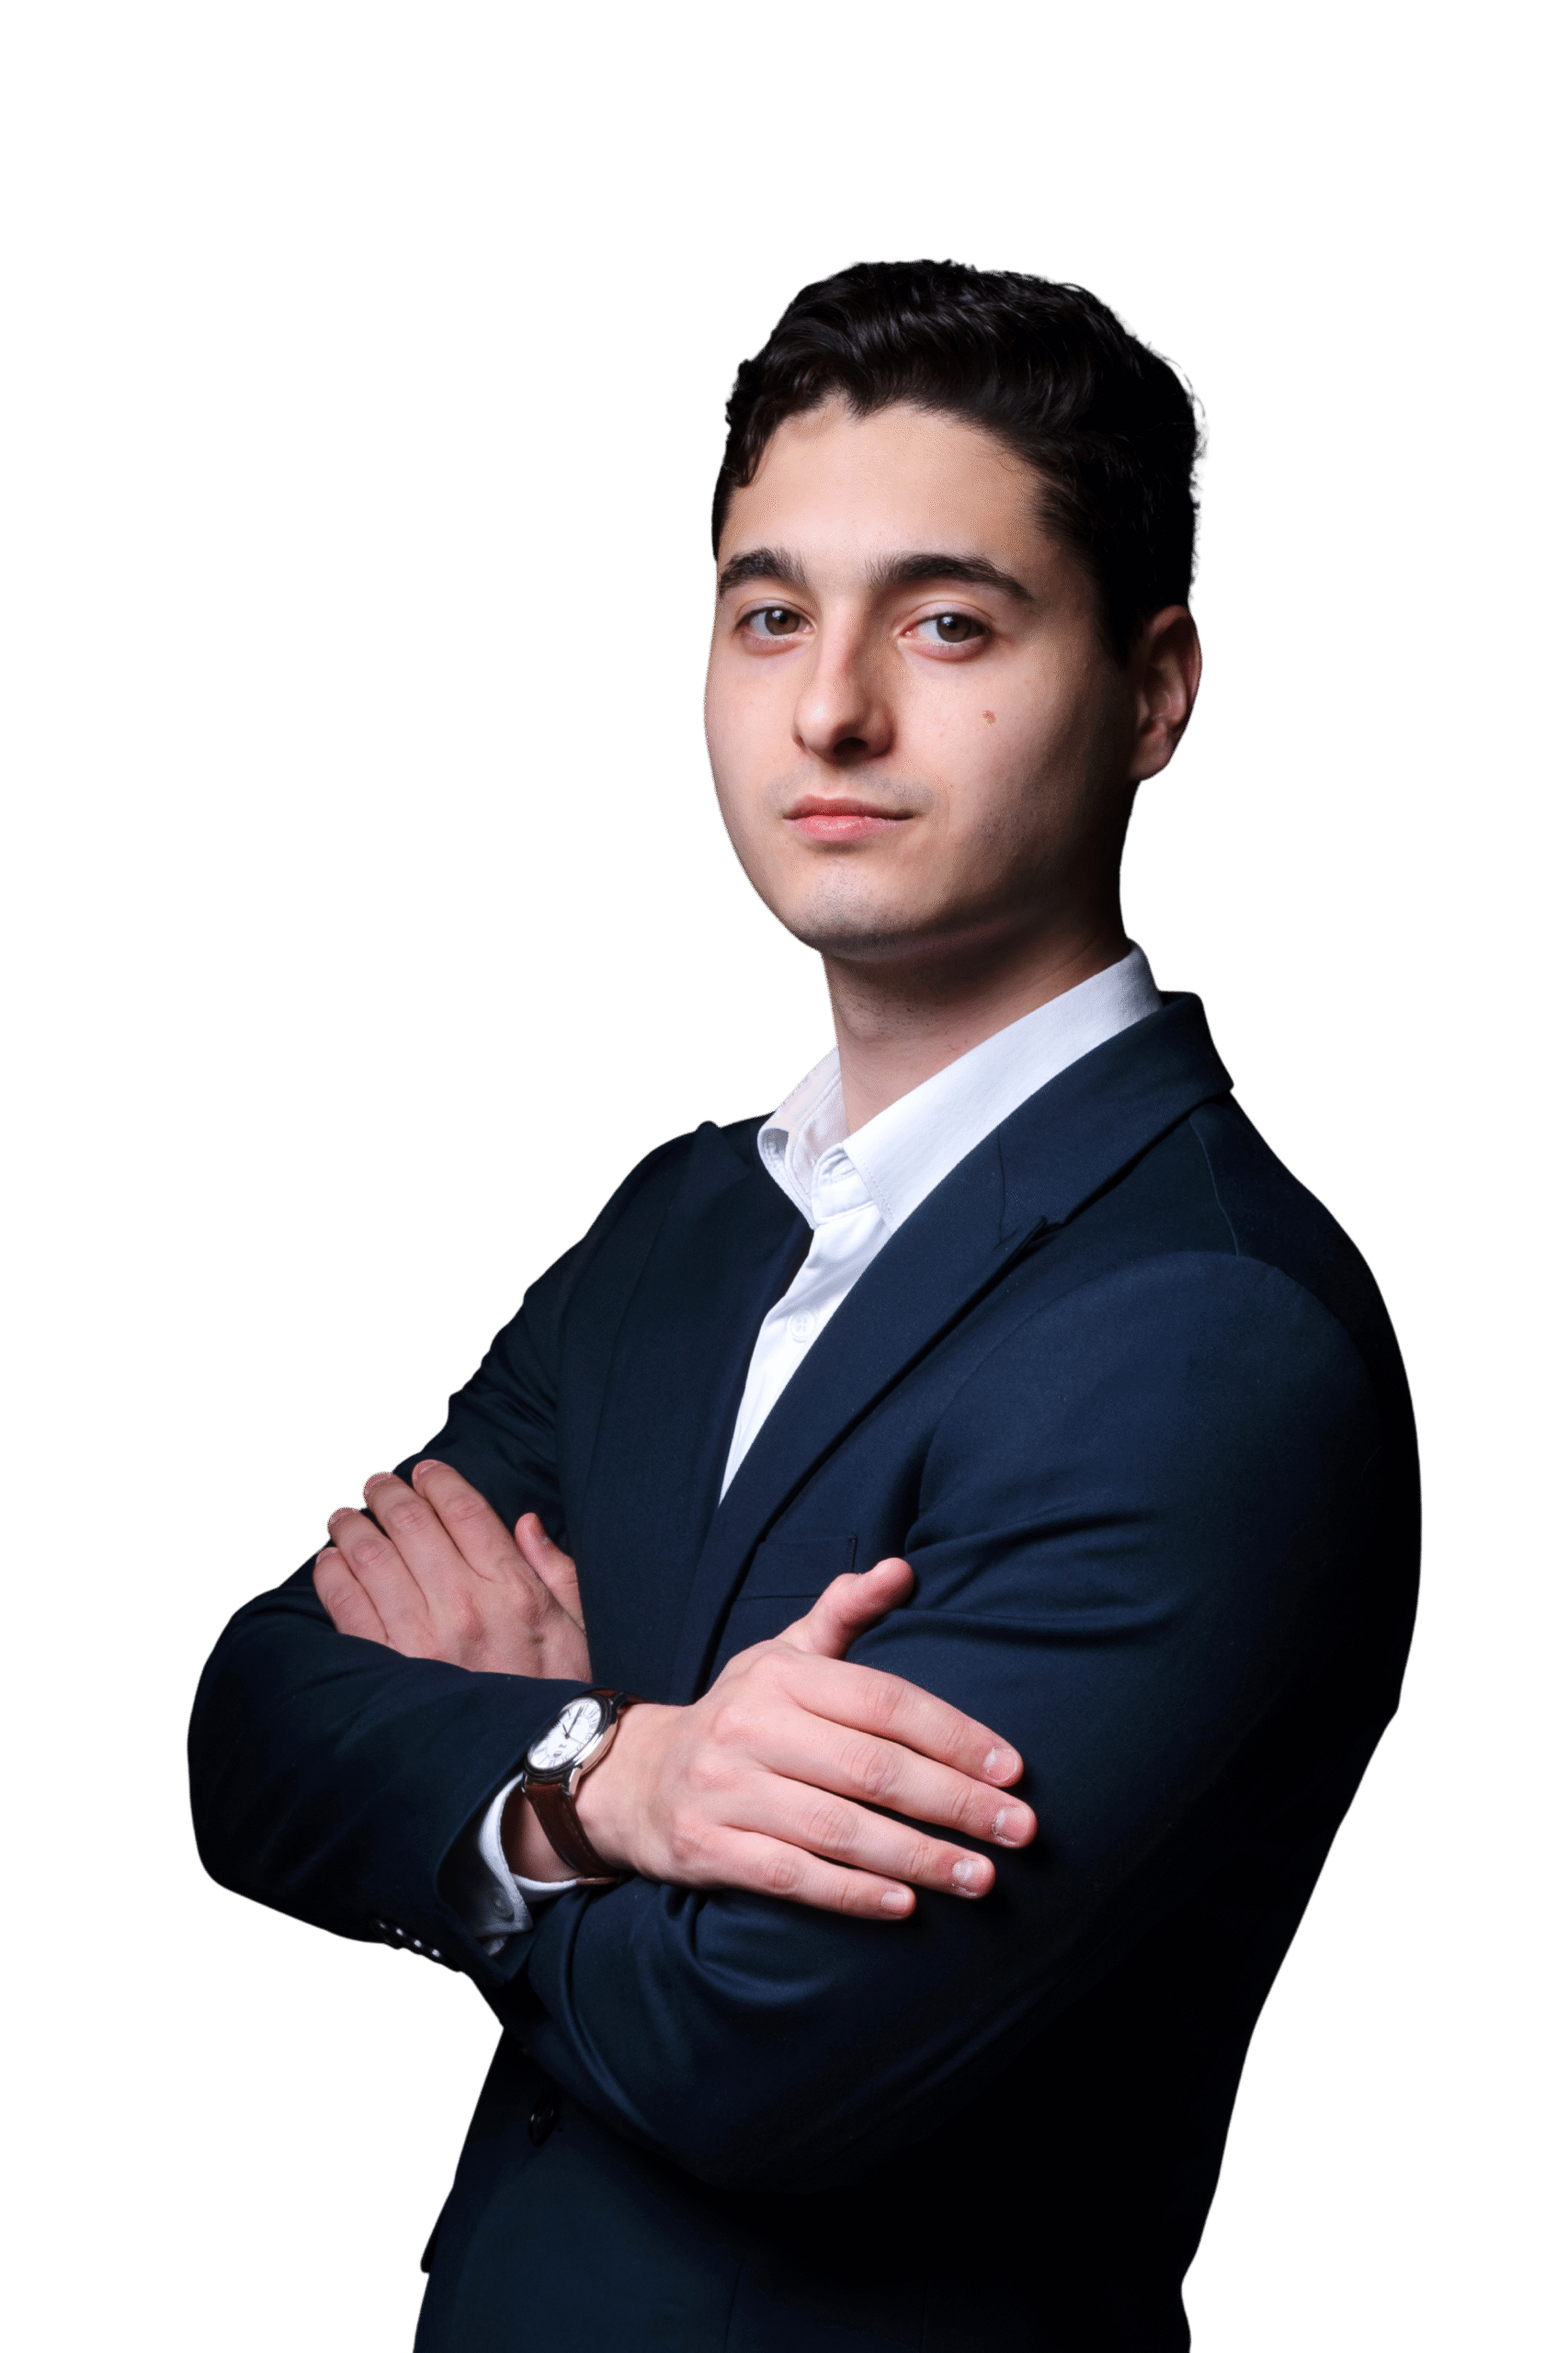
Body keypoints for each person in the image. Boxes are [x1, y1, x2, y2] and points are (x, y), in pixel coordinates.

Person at [189, 259, 1419, 2351]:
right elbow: (251, 1724)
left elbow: (764, 2044)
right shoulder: (674, 1229)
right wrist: (613, 1776)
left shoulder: (1206, 1331)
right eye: (769, 616)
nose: (829, 710)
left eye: (946, 624)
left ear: (1152, 690)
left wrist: (498, 1793)